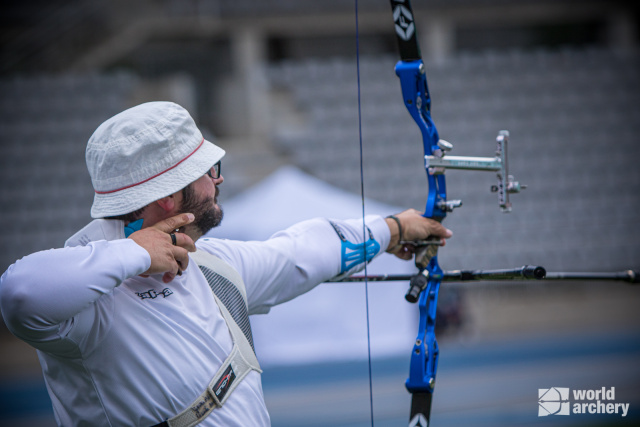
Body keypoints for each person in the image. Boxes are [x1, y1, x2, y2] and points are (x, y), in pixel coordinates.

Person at [0, 101, 452, 426]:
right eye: (208, 170)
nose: (218, 180)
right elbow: (19, 293)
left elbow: (299, 253)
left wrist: (391, 229)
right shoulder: (89, 298)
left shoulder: (210, 264)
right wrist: (136, 253)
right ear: (170, 196)